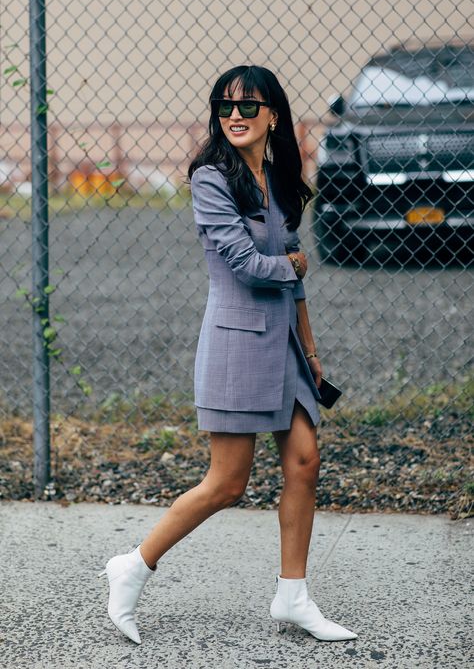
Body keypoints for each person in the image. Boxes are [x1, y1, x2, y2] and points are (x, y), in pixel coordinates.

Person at [99, 65, 357, 645]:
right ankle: (134, 565)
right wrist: (290, 266)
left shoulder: (279, 176)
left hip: (285, 346)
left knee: (304, 462)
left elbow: (297, 275)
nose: (235, 116)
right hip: (236, 343)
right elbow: (247, 264)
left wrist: (311, 350)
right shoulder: (211, 177)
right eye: (225, 107)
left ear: (273, 115)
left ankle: (292, 595)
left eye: (248, 106)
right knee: (227, 484)